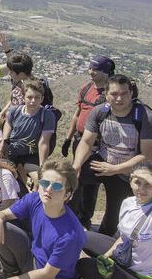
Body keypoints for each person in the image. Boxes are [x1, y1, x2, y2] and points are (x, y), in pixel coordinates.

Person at [72, 74, 152, 236]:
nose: (119, 98)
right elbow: (86, 142)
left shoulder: (146, 118)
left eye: (124, 94)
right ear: (106, 94)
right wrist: (76, 166)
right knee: (70, 181)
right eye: (114, 94)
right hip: (103, 161)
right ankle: (72, 222)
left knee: (113, 219)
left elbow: (147, 157)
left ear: (131, 94)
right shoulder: (100, 112)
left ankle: (102, 246)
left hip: (126, 171)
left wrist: (115, 169)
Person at [0, 160, 86, 279]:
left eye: (57, 186)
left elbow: (47, 274)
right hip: (32, 258)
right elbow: (2, 214)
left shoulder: (70, 235)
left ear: (67, 195)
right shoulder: (35, 199)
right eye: (45, 183)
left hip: (49, 276)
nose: (48, 189)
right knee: (0, 225)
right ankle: (10, 272)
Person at [76, 162, 152, 279]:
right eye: (137, 182)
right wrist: (106, 257)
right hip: (127, 258)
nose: (142, 189)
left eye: (148, 184)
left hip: (147, 275)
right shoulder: (128, 203)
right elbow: (125, 237)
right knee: (81, 237)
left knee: (85, 266)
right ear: (130, 182)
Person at [63, 55, 113, 228]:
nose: (91, 72)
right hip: (80, 140)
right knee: (76, 177)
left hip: (97, 145)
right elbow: (77, 114)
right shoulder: (86, 88)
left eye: (96, 69)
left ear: (106, 72)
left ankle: (83, 219)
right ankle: (72, 215)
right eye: (90, 68)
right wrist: (68, 138)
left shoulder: (110, 93)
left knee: (90, 183)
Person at [0, 80, 56, 184]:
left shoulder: (47, 116)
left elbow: (43, 142)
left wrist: (42, 167)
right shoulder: (15, 111)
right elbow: (8, 123)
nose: (33, 101)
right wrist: (4, 141)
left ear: (42, 98)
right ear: (24, 97)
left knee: (40, 181)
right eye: (29, 97)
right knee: (9, 181)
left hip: (31, 154)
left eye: (37, 97)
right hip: (12, 152)